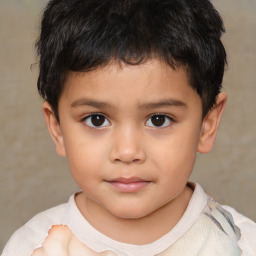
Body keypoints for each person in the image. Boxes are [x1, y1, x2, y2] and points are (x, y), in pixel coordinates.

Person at [2, 0, 256, 255]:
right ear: (57, 128)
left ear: (207, 125)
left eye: (158, 120)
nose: (126, 151)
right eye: (97, 120)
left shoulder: (240, 244)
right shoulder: (30, 247)